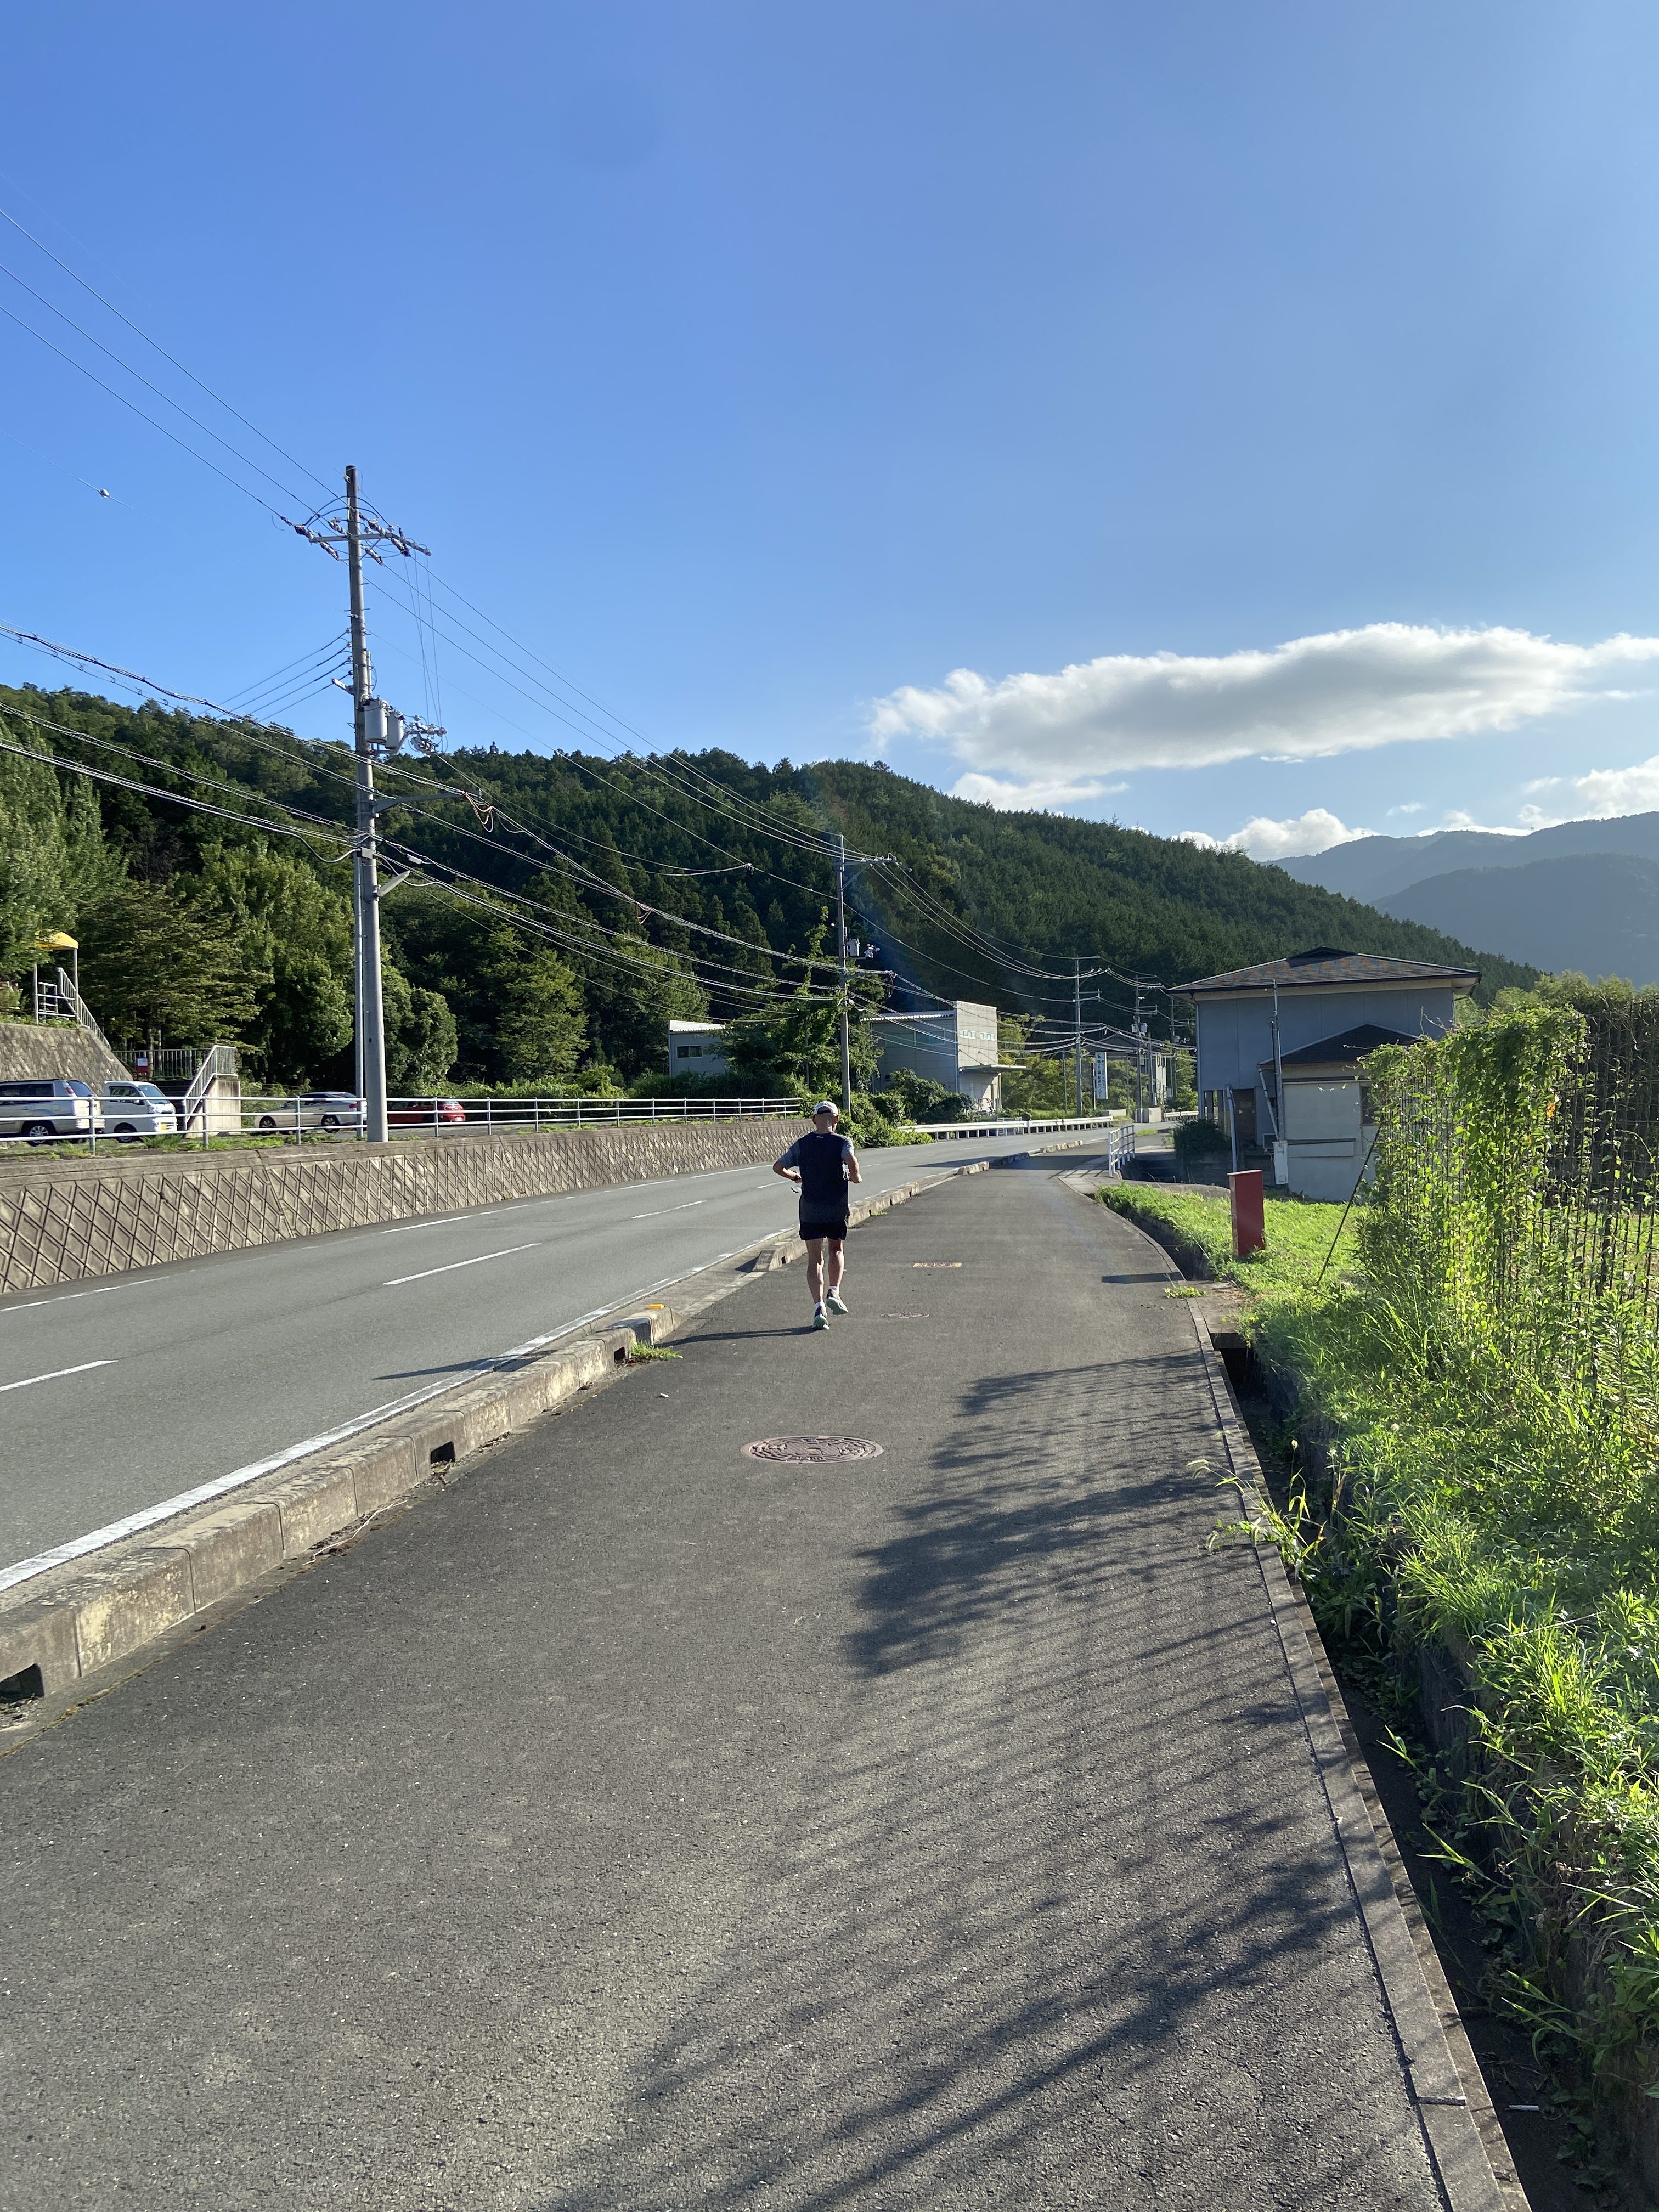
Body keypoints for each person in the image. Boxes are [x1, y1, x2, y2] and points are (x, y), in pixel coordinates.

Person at [773, 1101, 861, 1329]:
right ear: (836, 1119)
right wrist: (855, 1177)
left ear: (814, 1120)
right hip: (835, 1208)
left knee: (815, 1260)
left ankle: (818, 1308)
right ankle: (834, 1291)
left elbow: (778, 1166)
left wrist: (795, 1177)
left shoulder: (802, 1144)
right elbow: (851, 1160)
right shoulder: (843, 1141)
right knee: (836, 1249)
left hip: (810, 1209)